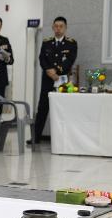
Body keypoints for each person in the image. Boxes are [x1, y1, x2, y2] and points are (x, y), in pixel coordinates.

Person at [32, 16, 78, 144]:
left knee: (62, 108)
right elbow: (42, 59)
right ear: (52, 27)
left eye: (61, 26)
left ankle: (64, 139)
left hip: (62, 79)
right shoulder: (46, 42)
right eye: (56, 26)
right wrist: (48, 70)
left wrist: (56, 71)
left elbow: (70, 60)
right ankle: (36, 137)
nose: (58, 29)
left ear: (65, 28)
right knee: (42, 107)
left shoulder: (71, 43)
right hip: (47, 79)